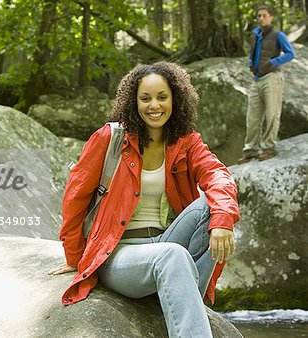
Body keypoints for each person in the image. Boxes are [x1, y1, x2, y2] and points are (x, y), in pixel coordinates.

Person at [49, 61, 240, 337]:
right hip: (118, 253)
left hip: (166, 240)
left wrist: (223, 220)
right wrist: (75, 256)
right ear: (133, 101)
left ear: (175, 99)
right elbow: (75, 197)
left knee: (213, 205)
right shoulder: (110, 138)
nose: (155, 105)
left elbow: (218, 175)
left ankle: (181, 294)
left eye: (162, 97)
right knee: (173, 256)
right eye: (145, 98)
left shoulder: (186, 141)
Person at [237, 4, 295, 164]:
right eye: (259, 16)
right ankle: (250, 150)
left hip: (272, 78)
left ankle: (269, 147)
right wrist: (250, 63)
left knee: (272, 114)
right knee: (252, 117)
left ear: (270, 16)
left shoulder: (278, 34)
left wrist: (273, 61)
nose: (261, 18)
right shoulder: (256, 34)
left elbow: (291, 53)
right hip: (257, 80)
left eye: (264, 15)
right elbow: (253, 53)